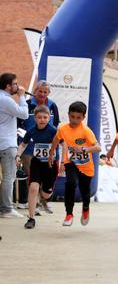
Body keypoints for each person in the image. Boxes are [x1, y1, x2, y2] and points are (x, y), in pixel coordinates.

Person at [48, 101, 101, 227]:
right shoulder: (63, 129)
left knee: (84, 191)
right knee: (70, 183)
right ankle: (69, 214)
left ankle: (86, 208)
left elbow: (98, 148)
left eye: (78, 118)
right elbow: (56, 139)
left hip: (85, 165)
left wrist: (84, 150)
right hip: (71, 161)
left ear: (83, 118)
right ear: (68, 115)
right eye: (72, 117)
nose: (75, 120)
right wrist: (51, 153)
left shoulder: (86, 131)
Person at [16, 80, 60, 210]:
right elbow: (19, 123)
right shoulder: (27, 104)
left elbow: (56, 124)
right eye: (40, 91)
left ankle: (43, 202)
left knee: (46, 176)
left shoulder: (52, 105)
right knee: (29, 175)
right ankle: (26, 202)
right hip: (29, 147)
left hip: (49, 149)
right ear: (35, 91)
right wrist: (23, 139)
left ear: (49, 93)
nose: (42, 94)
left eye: (45, 92)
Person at [15, 105, 58, 228]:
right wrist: (17, 156)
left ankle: (45, 198)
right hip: (37, 162)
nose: (42, 120)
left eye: (45, 117)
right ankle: (31, 218)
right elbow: (23, 144)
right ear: (35, 118)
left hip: (50, 164)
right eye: (39, 117)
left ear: (49, 118)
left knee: (46, 194)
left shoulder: (53, 130)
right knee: (33, 187)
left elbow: (63, 143)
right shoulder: (31, 130)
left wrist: (62, 163)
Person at [0, 73, 28, 218]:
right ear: (8, 86)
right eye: (15, 84)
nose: (18, 86)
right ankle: (6, 209)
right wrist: (22, 96)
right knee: (9, 177)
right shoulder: (5, 100)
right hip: (6, 144)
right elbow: (24, 114)